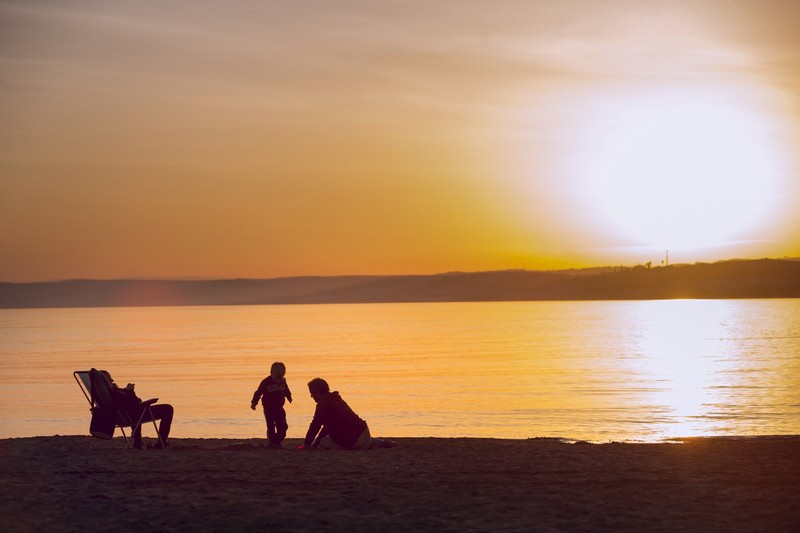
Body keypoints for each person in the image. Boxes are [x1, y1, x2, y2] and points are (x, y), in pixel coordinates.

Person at [302, 378, 393, 450]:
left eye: (312, 393)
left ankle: (365, 444)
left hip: (353, 441)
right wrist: (314, 444)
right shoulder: (336, 398)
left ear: (317, 392)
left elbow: (315, 425)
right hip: (364, 431)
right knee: (354, 435)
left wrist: (307, 444)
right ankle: (379, 442)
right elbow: (327, 427)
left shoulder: (323, 404)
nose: (311, 396)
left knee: (323, 442)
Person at [103, 371, 174, 449]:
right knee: (168, 409)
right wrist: (130, 391)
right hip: (135, 415)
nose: (113, 380)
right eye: (110, 379)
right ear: (105, 381)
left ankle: (138, 442)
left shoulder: (107, 393)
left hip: (129, 415)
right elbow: (134, 405)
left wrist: (127, 391)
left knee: (141, 411)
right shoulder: (115, 393)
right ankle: (161, 442)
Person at [251, 362, 293, 449]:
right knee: (271, 426)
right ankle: (273, 442)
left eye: (280, 377)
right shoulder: (266, 382)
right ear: (271, 373)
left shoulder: (283, 381)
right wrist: (254, 402)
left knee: (282, 425)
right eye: (276, 377)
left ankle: (278, 440)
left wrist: (289, 397)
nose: (278, 380)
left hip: (279, 407)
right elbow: (258, 393)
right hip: (268, 408)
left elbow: (286, 390)